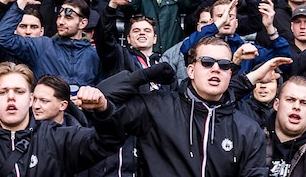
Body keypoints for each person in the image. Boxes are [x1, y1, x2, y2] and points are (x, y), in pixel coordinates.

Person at [110, 38, 287, 177]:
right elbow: (103, 103)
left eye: (224, 65)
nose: (216, 69)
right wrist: (141, 76)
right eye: (207, 62)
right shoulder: (156, 107)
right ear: (191, 70)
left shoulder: (248, 129)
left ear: (230, 74)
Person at [0, 62, 122, 176]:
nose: (11, 97)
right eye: (3, 92)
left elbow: (108, 142)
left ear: (31, 100)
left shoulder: (57, 137)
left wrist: (104, 110)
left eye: (19, 91)